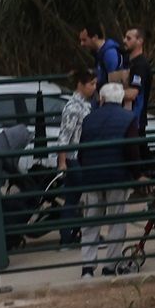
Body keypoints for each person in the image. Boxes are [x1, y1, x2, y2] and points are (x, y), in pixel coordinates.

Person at [77, 81, 140, 277]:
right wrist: (137, 174)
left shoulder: (89, 119)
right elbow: (132, 151)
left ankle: (88, 266)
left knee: (90, 223)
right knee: (116, 222)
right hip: (117, 177)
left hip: (93, 177)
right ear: (121, 100)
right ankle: (110, 266)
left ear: (102, 99)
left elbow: (82, 150)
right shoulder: (129, 118)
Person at [53, 68, 96, 247]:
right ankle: (72, 235)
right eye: (91, 84)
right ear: (81, 85)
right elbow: (64, 136)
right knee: (77, 197)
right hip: (74, 158)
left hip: (78, 156)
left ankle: (67, 237)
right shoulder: (73, 107)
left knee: (73, 198)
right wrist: (62, 162)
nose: (94, 87)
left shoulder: (84, 104)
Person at [120, 26, 153, 131]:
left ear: (139, 41)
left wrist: (110, 94)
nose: (124, 41)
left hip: (135, 120)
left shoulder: (140, 65)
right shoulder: (128, 62)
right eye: (125, 37)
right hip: (127, 117)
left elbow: (133, 93)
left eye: (129, 38)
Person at [78, 23, 124, 89]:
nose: (82, 44)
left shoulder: (110, 54)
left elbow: (115, 82)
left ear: (95, 37)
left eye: (84, 40)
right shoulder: (98, 53)